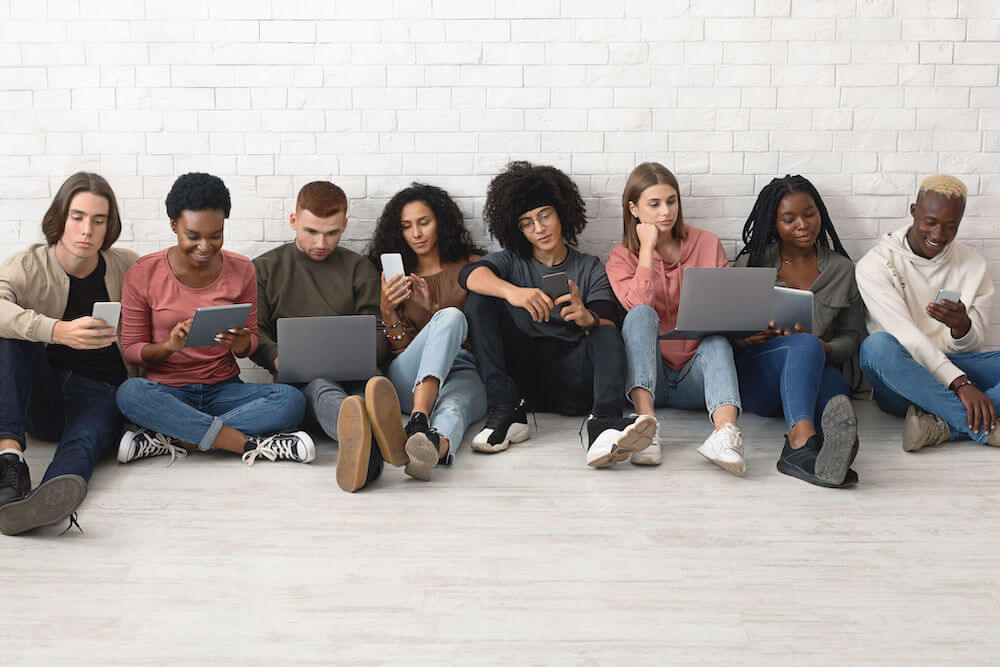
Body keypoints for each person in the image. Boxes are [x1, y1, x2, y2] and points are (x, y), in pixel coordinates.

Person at [459, 161, 656, 468]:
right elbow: (468, 276)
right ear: (517, 229)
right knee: (479, 299)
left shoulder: (590, 267)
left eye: (544, 216)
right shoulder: (511, 262)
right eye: (526, 223)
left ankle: (603, 425)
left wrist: (586, 317)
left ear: (561, 213)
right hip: (522, 378)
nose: (538, 229)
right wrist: (513, 292)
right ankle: (507, 412)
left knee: (605, 331)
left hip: (573, 381)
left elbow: (608, 324)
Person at [115, 172, 312, 466]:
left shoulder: (242, 269)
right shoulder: (144, 273)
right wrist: (169, 346)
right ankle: (247, 444)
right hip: (168, 391)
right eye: (192, 236)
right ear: (173, 225)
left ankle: (173, 436)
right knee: (129, 394)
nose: (205, 246)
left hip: (224, 389)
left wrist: (244, 343)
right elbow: (131, 349)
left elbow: (251, 342)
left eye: (216, 235)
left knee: (292, 400)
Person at [0, 172, 137, 535]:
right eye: (77, 217)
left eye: (98, 220)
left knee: (86, 439)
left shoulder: (126, 266)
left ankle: (46, 499)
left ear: (110, 226)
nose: (87, 230)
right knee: (11, 333)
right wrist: (57, 331)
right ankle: (9, 461)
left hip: (100, 390)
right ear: (60, 217)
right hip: (41, 393)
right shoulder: (29, 264)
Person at [252, 181, 406, 493]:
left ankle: (364, 444)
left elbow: (376, 330)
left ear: (345, 225)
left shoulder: (358, 267)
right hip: (300, 379)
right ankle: (374, 437)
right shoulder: (263, 269)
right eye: (311, 231)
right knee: (322, 387)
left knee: (371, 387)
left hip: (357, 372)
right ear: (294, 221)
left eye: (332, 232)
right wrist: (278, 357)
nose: (322, 242)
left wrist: (363, 352)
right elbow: (255, 333)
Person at [607, 162, 746, 475]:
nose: (665, 212)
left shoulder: (707, 243)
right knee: (641, 313)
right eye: (653, 204)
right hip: (647, 376)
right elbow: (637, 305)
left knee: (716, 340)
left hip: (693, 376)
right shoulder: (620, 257)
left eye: (671, 201)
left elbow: (726, 310)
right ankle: (647, 426)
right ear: (634, 209)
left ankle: (724, 435)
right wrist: (646, 248)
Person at [733, 175, 862, 488]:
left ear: (820, 213)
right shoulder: (751, 265)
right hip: (761, 382)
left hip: (815, 376)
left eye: (809, 214)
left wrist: (826, 348)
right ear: (773, 223)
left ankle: (829, 448)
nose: (803, 224)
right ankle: (798, 443)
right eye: (789, 219)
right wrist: (751, 338)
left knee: (828, 374)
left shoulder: (842, 269)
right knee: (805, 346)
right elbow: (725, 333)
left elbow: (853, 336)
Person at [857, 174, 999, 451]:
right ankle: (986, 428)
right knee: (876, 346)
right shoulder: (875, 264)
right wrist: (960, 384)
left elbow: (972, 346)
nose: (938, 235)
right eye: (930, 222)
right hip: (902, 378)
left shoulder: (974, 265)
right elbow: (906, 337)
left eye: (950, 226)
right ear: (913, 211)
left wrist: (962, 327)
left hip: (956, 366)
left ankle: (941, 427)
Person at [366, 183, 488, 481]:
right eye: (407, 226)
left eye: (424, 223)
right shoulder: (397, 278)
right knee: (450, 316)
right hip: (409, 379)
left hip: (463, 370)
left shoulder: (473, 267)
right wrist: (387, 311)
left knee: (455, 408)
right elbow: (401, 351)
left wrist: (432, 309)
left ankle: (433, 449)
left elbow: (486, 339)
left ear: (441, 222)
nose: (416, 234)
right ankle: (418, 419)